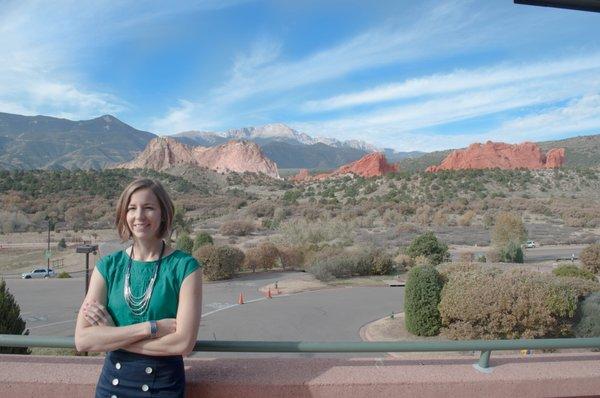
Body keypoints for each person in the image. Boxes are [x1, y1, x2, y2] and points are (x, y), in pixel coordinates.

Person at [75, 178, 203, 397]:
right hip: (111, 386)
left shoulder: (185, 267)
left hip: (163, 387)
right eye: (132, 208)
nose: (139, 216)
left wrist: (112, 337)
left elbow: (183, 344)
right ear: (124, 215)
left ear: (164, 214)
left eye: (149, 208)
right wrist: (151, 328)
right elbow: (83, 340)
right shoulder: (107, 266)